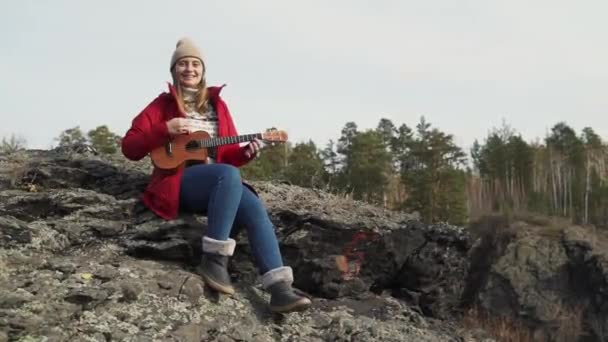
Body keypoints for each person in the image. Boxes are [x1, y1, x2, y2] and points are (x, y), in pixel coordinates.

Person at [121, 37, 311, 313]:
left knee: (252, 203)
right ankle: (214, 258)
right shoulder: (161, 106)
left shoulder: (217, 106)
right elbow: (130, 147)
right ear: (174, 70)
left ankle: (279, 288)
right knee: (228, 175)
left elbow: (229, 154)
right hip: (177, 181)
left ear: (202, 70)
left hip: (217, 180)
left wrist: (250, 150)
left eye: (195, 64)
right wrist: (166, 128)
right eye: (183, 63)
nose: (189, 69)